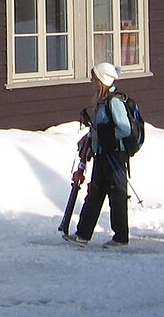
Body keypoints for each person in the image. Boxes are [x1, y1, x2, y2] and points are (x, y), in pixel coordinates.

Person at [65, 61, 131, 247]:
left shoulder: (114, 102)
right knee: (95, 193)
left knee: (117, 196)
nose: (92, 81)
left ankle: (120, 237)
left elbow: (124, 128)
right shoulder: (103, 101)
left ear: (102, 79)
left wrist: (102, 135)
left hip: (115, 155)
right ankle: (83, 234)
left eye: (94, 78)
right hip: (102, 154)